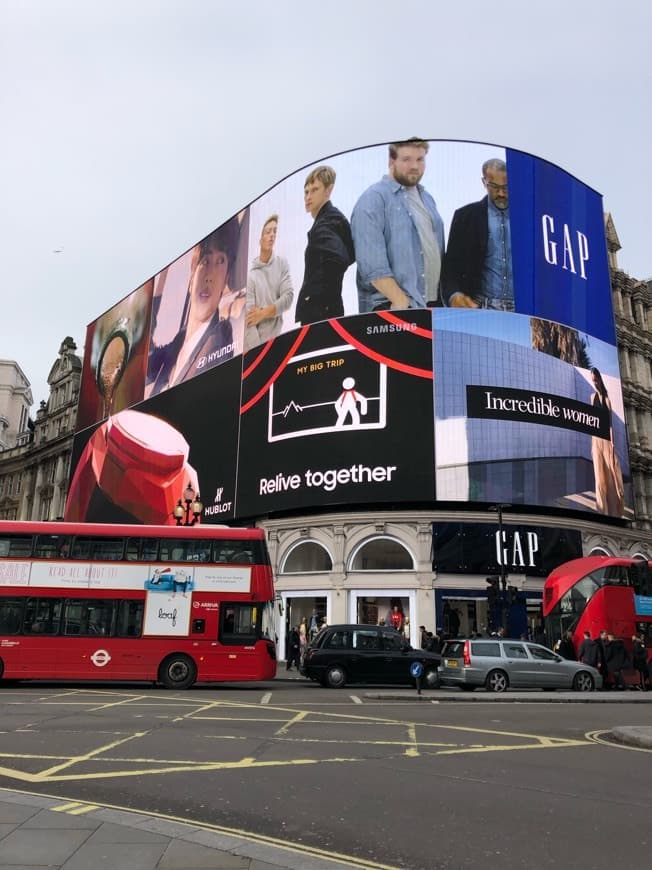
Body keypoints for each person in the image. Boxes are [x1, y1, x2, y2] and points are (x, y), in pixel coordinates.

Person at [147, 218, 245, 396]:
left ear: (226, 279)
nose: (209, 276)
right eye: (205, 261)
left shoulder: (220, 338)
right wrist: (158, 282)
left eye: (220, 261)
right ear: (192, 275)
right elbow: (144, 366)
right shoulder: (178, 341)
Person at [351, 137, 445, 312]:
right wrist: (401, 303)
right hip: (393, 308)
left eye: (420, 159)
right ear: (391, 160)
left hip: (429, 306)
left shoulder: (427, 198)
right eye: (406, 159)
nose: (414, 166)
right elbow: (372, 266)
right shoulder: (373, 198)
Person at [441, 158, 514, 310]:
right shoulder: (465, 216)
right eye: (494, 186)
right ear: (484, 182)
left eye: (506, 187)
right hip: (479, 307)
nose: (501, 193)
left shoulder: (529, 218)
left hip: (524, 310)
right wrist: (454, 295)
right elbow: (451, 267)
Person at [295, 165, 355, 325]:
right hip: (328, 310)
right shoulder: (333, 219)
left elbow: (339, 259)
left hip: (320, 313)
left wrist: (317, 296)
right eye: (306, 192)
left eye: (314, 190)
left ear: (328, 190)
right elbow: (349, 254)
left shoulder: (325, 223)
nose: (308, 196)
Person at [244, 214, 294, 351]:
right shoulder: (251, 276)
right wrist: (259, 353)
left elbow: (288, 298)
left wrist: (262, 313)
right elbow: (249, 321)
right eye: (268, 232)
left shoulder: (281, 264)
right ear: (260, 239)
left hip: (276, 342)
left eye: (274, 232)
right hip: (255, 347)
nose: (272, 235)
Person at [590, 367, 625, 517]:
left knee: (610, 475)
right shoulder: (592, 397)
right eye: (592, 379)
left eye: (596, 379)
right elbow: (591, 420)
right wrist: (592, 444)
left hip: (606, 441)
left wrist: (612, 444)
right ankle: (601, 510)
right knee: (599, 476)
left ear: (600, 379)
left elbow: (610, 424)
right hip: (596, 440)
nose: (594, 382)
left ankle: (614, 511)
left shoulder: (606, 400)